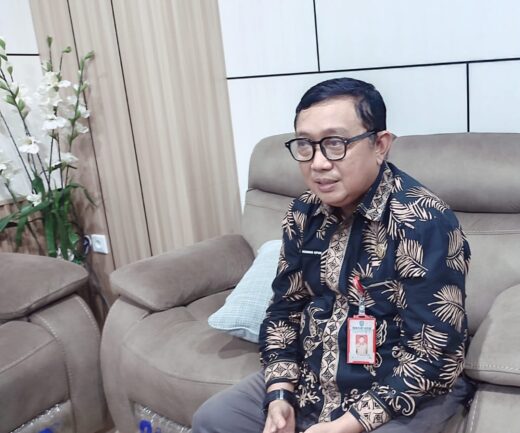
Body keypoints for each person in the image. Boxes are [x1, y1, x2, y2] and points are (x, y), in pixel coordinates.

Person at [193, 77, 473, 433]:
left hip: (402, 392)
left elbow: (434, 354)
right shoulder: (303, 213)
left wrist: (346, 425)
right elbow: (284, 311)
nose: (319, 163)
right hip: (312, 382)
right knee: (213, 420)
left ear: (380, 145)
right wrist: (279, 394)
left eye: (335, 144)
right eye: (305, 145)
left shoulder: (423, 221)